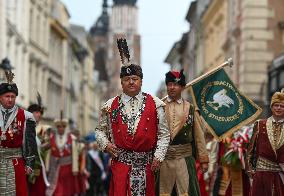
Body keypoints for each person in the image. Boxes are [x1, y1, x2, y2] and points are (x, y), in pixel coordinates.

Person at [95, 38, 170, 196]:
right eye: (127, 80)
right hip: (120, 165)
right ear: (121, 82)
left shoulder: (155, 104)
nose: (131, 82)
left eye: (134, 79)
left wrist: (158, 157)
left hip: (147, 166)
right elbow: (99, 131)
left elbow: (164, 134)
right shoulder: (109, 105)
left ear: (141, 81)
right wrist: (105, 144)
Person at [156, 69, 209, 196]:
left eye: (176, 85)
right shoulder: (158, 108)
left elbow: (199, 136)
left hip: (185, 161)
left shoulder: (191, 109)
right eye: (169, 84)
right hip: (164, 161)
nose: (172, 87)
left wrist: (203, 160)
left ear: (182, 87)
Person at [0, 68, 37, 196]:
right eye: (6, 96)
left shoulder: (26, 116)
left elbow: (30, 143)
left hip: (15, 162)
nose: (10, 99)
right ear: (0, 97)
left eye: (12, 96)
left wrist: (30, 163)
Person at [246, 89, 284, 196]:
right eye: (276, 105)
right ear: (271, 107)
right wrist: (249, 169)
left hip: (281, 174)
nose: (279, 108)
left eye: (282, 106)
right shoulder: (260, 124)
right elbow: (250, 149)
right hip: (262, 173)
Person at [45, 118, 81, 196]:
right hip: (54, 168)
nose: (61, 128)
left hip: (67, 168)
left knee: (66, 190)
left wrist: (75, 168)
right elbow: (48, 154)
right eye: (59, 127)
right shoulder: (52, 138)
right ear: (57, 128)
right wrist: (47, 167)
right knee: (57, 190)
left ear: (65, 127)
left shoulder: (71, 138)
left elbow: (75, 155)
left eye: (63, 127)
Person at [27, 94, 50, 196]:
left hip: (39, 165)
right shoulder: (25, 127)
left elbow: (47, 148)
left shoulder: (43, 130)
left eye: (40, 112)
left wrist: (46, 145)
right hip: (26, 165)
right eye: (36, 112)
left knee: (39, 191)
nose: (39, 114)